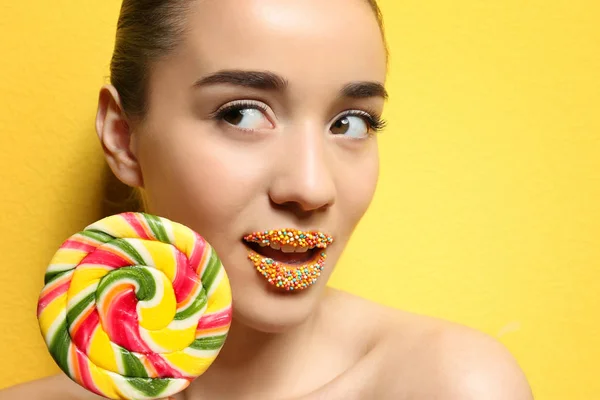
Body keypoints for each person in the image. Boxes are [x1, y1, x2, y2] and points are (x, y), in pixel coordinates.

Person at [1, 0, 533, 398]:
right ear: (123, 137)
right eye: (242, 113)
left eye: (351, 122)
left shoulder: (448, 385)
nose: (311, 187)